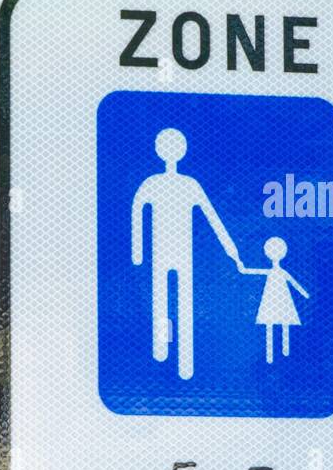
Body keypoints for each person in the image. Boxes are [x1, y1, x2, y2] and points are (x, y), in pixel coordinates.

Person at [131, 128, 241, 380]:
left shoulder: (189, 185)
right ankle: (161, 352)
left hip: (182, 252)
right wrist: (137, 252)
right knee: (162, 300)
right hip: (161, 251)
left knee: (183, 301)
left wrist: (230, 249)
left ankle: (184, 362)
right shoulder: (153, 184)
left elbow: (212, 216)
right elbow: (138, 210)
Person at [240, 236, 309, 364]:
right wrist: (242, 268)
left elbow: (294, 283)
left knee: (281, 323)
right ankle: (274, 355)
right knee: (272, 324)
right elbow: (249, 271)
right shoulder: (277, 272)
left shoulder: (281, 272)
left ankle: (284, 353)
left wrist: (304, 294)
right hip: (271, 299)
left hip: (282, 299)